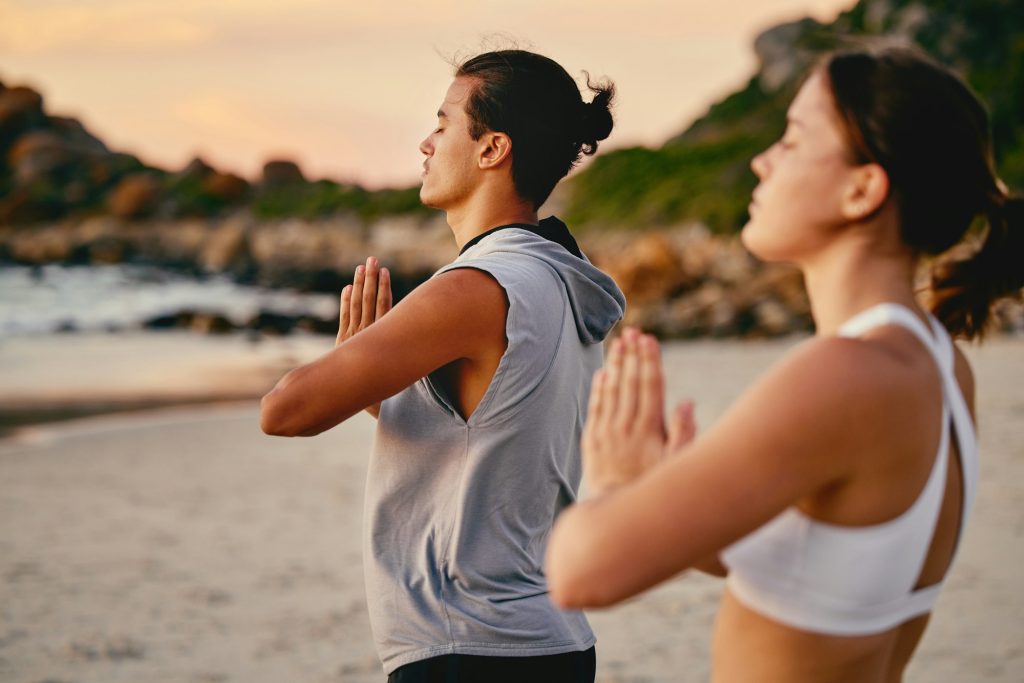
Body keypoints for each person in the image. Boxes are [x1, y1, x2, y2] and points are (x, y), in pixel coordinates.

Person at [545, 45, 1023, 682]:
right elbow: (827, 567)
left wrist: (610, 482)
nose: (760, 160)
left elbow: (581, 574)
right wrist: (669, 494)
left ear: (862, 189)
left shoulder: (844, 375)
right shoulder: (935, 364)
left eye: (793, 140)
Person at [261, 49, 625, 682]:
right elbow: (486, 426)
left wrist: (351, 360)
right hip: (545, 640)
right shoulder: (558, 278)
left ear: (492, 149)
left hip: (472, 646)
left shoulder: (475, 285)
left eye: (444, 123)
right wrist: (381, 387)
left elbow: (285, 410)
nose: (426, 143)